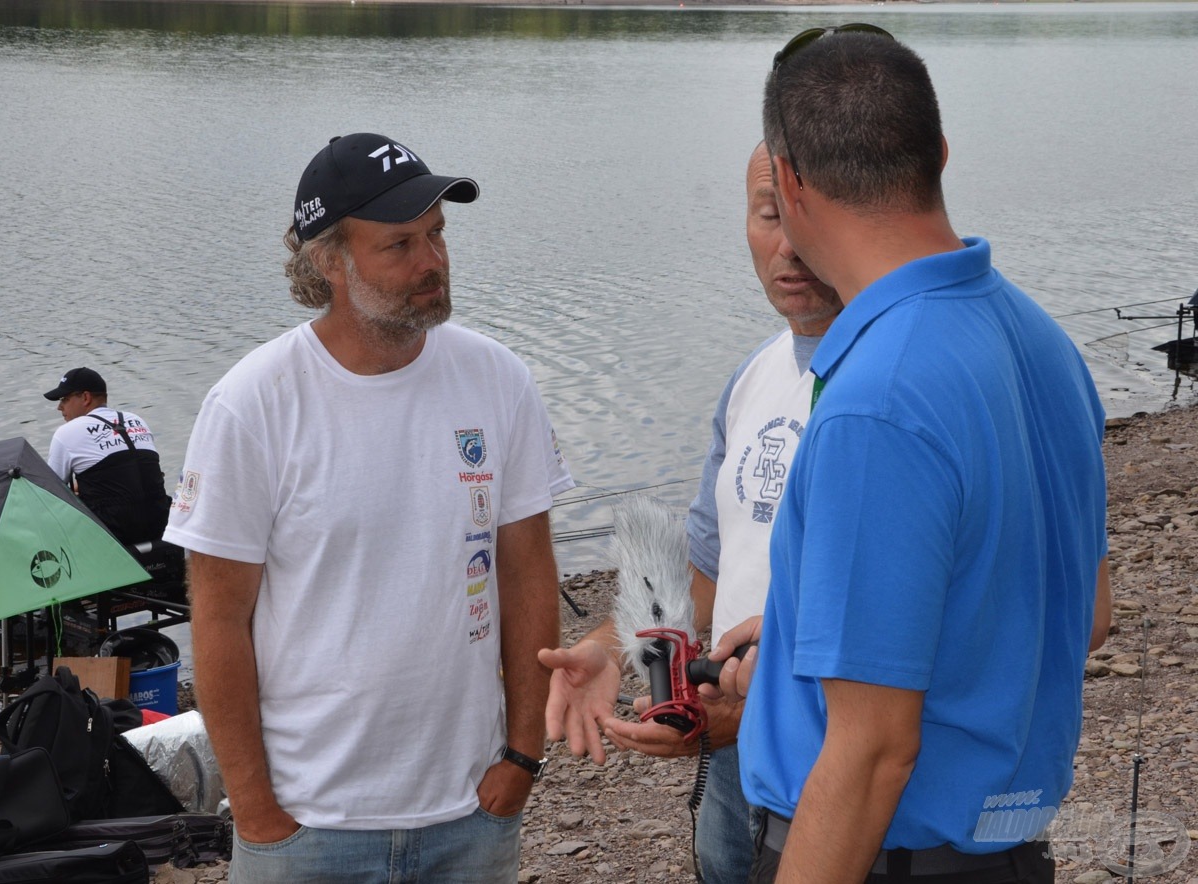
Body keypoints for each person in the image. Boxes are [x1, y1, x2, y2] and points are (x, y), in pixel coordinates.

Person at [711, 25, 1112, 884]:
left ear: (790, 180)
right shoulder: (1041, 341)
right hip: (1003, 853)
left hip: (886, 857)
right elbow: (1083, 613)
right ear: (937, 151)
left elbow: (872, 756)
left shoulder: (875, 400)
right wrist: (798, 642)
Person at [162, 133, 574, 884]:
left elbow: (527, 573)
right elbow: (219, 620)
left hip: (470, 814)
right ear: (329, 262)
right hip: (310, 826)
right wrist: (257, 813)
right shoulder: (254, 404)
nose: (432, 262)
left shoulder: (498, 379)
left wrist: (521, 755)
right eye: (400, 245)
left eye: (438, 234)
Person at [538, 142, 843, 884]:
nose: (788, 244)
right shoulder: (754, 376)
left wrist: (763, 708)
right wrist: (614, 648)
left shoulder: (891, 382)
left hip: (844, 762)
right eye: (768, 214)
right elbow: (706, 567)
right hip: (735, 756)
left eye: (809, 215)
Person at [43, 366, 171, 546]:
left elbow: (48, 493)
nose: (59, 407)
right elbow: (130, 471)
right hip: (160, 522)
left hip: (115, 533)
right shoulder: (136, 419)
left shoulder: (67, 432)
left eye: (65, 398)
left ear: (85, 398)